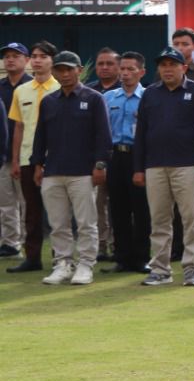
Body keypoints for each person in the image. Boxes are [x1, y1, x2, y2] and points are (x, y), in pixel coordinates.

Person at [30, 51, 111, 286]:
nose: (64, 74)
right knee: (58, 224)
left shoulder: (94, 98)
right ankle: (63, 264)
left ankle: (86, 264)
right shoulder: (49, 101)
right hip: (53, 171)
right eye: (60, 70)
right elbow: (40, 136)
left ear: (79, 70)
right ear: (54, 72)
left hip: (83, 172)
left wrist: (100, 165)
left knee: (86, 223)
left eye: (69, 69)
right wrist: (38, 165)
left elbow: (103, 136)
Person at [134, 47, 194, 287]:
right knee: (159, 220)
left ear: (183, 67)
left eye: (173, 64)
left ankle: (192, 269)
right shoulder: (150, 93)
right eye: (163, 65)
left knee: (191, 220)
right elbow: (141, 132)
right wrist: (138, 168)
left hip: (187, 165)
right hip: (155, 166)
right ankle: (160, 269)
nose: (167, 69)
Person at [6, 41, 61, 274]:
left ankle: (60, 257)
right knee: (32, 211)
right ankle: (32, 258)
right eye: (35, 56)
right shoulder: (21, 91)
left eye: (43, 56)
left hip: (55, 159)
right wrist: (15, 160)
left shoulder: (60, 88)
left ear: (53, 61)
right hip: (27, 158)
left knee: (58, 212)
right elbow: (18, 127)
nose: (38, 60)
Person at [103, 52, 150, 274]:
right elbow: (102, 131)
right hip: (115, 157)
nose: (125, 73)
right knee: (118, 209)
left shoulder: (149, 97)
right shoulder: (108, 97)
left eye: (131, 69)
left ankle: (142, 258)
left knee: (141, 210)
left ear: (141, 72)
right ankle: (121, 258)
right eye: (122, 68)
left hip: (138, 156)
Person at [88, 48, 119, 261]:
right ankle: (100, 246)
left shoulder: (126, 89)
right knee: (97, 204)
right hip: (95, 157)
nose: (105, 67)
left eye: (109, 63)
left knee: (119, 204)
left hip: (120, 156)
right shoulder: (88, 91)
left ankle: (118, 245)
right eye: (101, 64)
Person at [0, 42, 29, 259]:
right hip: (3, 155)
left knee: (27, 202)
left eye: (15, 56)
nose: (10, 60)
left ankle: (30, 244)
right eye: (7, 56)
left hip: (26, 154)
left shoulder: (32, 86)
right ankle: (10, 244)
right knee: (5, 202)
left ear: (26, 60)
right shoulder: (0, 86)